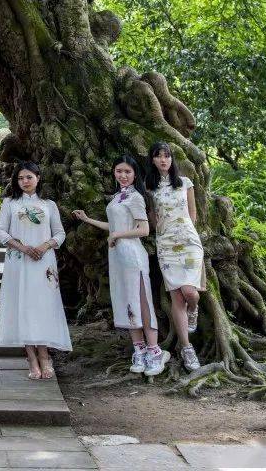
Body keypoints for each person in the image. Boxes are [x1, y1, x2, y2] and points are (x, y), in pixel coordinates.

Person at [73, 155, 169, 377]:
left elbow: (144, 230)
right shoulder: (117, 197)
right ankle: (139, 349)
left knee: (142, 301)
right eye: (119, 171)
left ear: (135, 174)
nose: (123, 176)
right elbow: (114, 226)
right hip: (118, 255)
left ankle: (155, 351)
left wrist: (117, 234)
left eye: (127, 172)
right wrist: (88, 220)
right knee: (126, 301)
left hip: (133, 254)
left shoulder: (135, 197)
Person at [0, 160, 72, 380]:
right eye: (20, 178)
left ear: (38, 178)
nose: (25, 181)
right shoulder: (10, 203)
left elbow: (59, 233)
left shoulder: (49, 205)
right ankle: (31, 357)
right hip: (18, 261)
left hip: (44, 262)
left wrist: (43, 246)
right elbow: (1, 232)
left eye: (29, 177)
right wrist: (23, 247)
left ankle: (45, 355)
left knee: (44, 305)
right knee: (23, 305)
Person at [146, 141, 204, 372]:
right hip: (166, 244)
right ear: (152, 160)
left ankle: (195, 309)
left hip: (188, 242)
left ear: (172, 159)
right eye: (159, 156)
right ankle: (187, 349)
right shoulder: (149, 188)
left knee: (190, 293)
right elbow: (152, 218)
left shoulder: (185, 183)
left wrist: (185, 231)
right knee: (176, 299)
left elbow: (193, 214)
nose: (163, 160)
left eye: (167, 156)